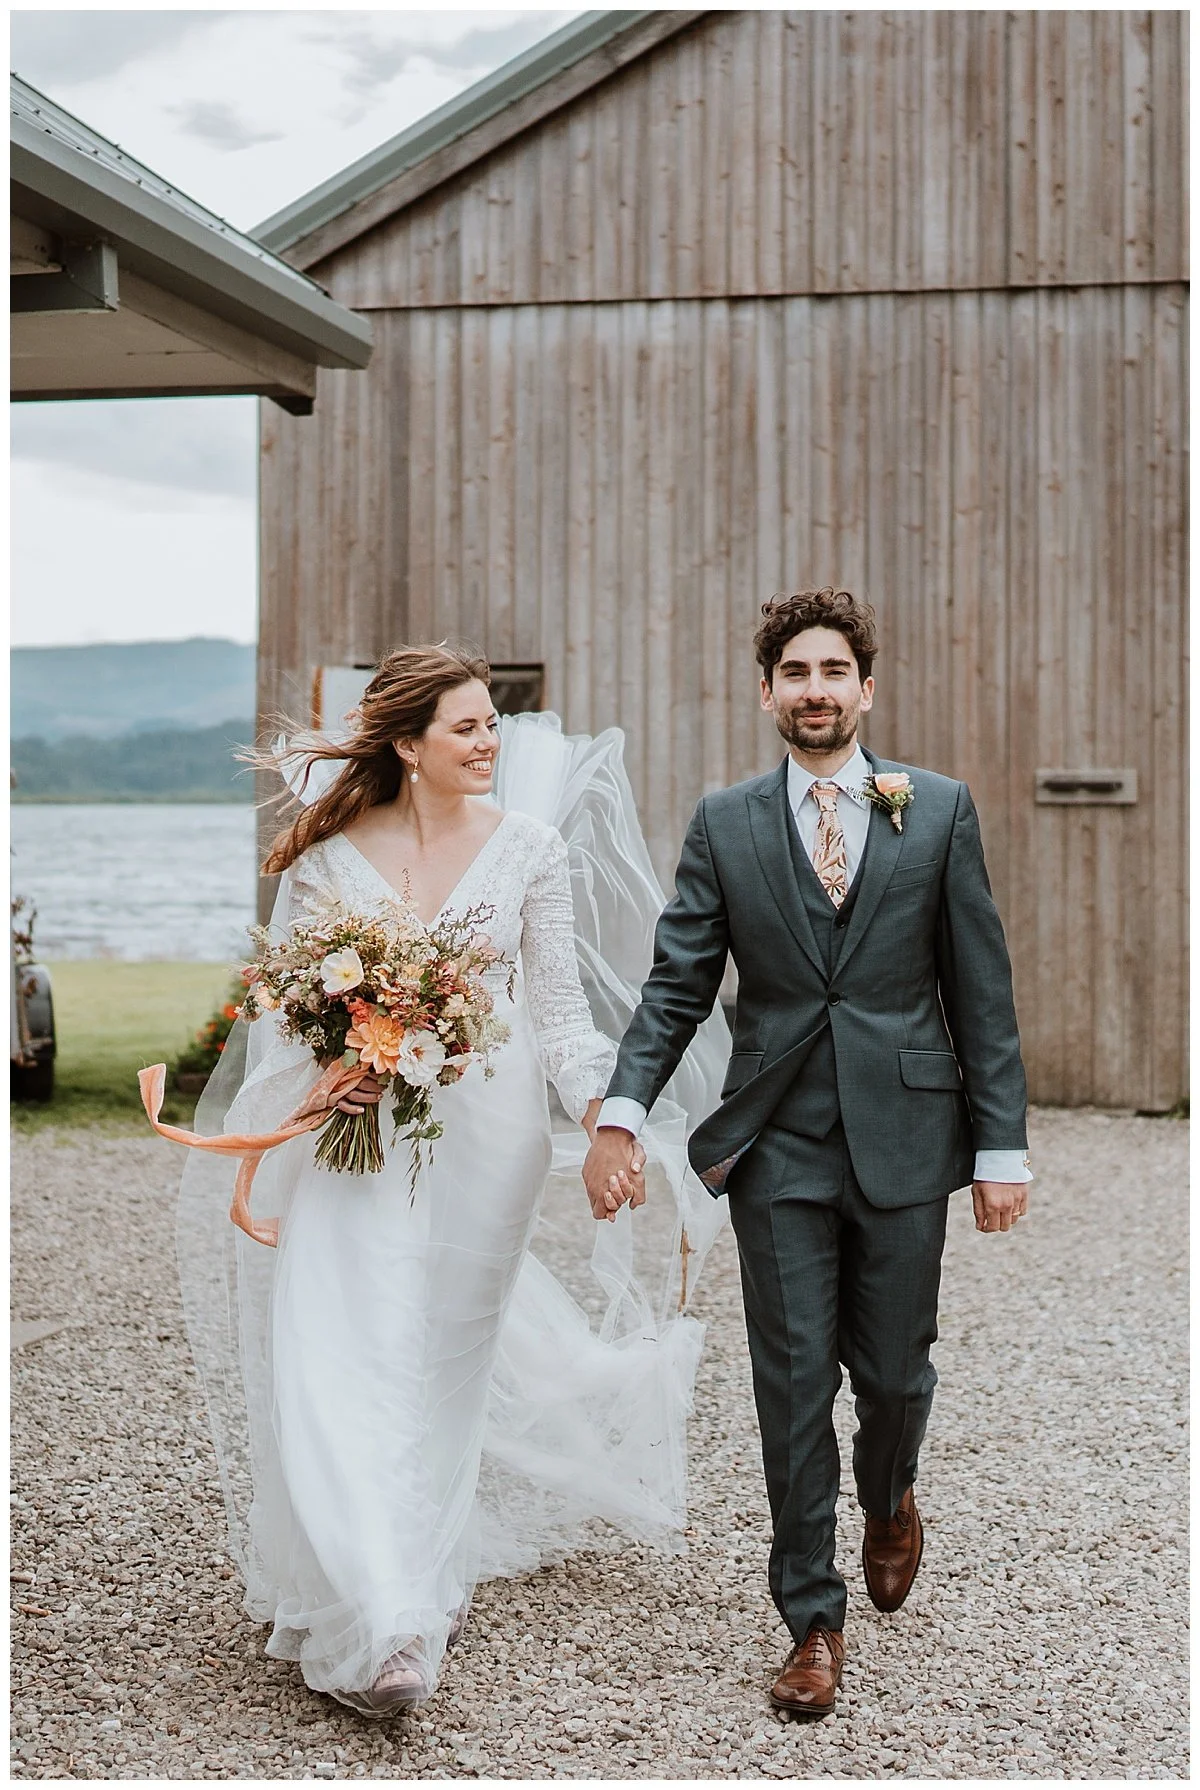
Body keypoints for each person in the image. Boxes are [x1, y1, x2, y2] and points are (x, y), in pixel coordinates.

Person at [172, 646, 730, 1716]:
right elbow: (287, 1011)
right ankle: (388, 1617)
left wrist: (609, 1120)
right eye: (467, 727)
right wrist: (326, 1070)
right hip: (356, 1135)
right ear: (407, 743)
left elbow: (560, 1018)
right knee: (346, 1346)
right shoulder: (325, 856)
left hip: (489, 1139)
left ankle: (421, 1566)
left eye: (492, 725)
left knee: (443, 1366)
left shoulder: (529, 849)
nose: (489, 743)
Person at [583, 588, 1031, 1719]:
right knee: (790, 1383)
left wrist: (1003, 1146)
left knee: (895, 1375)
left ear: (865, 689)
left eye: (835, 670)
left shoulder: (936, 809)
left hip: (907, 1135)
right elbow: (678, 982)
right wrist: (623, 1108)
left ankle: (891, 1496)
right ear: (767, 691)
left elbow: (980, 988)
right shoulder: (726, 822)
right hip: (776, 1140)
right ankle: (811, 1622)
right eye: (796, 671)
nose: (815, 689)